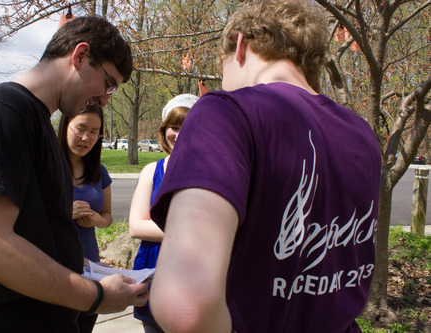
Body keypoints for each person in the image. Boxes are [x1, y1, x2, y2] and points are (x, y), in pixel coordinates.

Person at [149, 1, 381, 332]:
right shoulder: (362, 133)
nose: (222, 81)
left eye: (222, 69)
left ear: (241, 45)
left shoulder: (225, 113)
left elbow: (186, 306)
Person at [0, 16, 148, 332]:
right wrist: (93, 296)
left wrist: (89, 270)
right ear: (79, 56)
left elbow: (37, 235)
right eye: (108, 83)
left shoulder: (36, 124)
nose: (105, 99)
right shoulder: (2, 111)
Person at [129, 93, 199, 332]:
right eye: (174, 127)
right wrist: (190, 232)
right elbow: (137, 226)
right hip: (155, 269)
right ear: (164, 129)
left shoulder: (211, 170)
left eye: (188, 127)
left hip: (197, 273)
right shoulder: (152, 170)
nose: (179, 134)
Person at [58, 104, 113, 333]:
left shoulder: (98, 171)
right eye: (80, 129)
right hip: (57, 269)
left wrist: (96, 220)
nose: (86, 138)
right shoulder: (47, 167)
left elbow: (107, 217)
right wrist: (63, 212)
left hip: (90, 269)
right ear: (65, 126)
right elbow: (29, 219)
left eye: (94, 132)